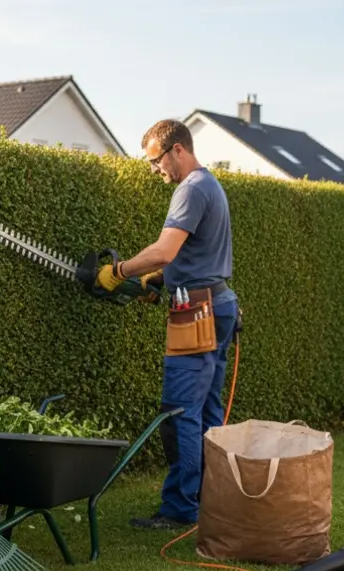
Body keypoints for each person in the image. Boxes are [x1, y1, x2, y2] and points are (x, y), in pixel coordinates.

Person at [95, 119, 241, 530]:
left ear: (178, 149)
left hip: (197, 310)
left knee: (180, 412)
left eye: (156, 160)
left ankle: (180, 509)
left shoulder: (190, 189)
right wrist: (162, 280)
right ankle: (211, 500)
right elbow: (192, 255)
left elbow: (164, 250)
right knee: (209, 411)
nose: (155, 169)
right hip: (220, 302)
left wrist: (119, 271)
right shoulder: (210, 185)